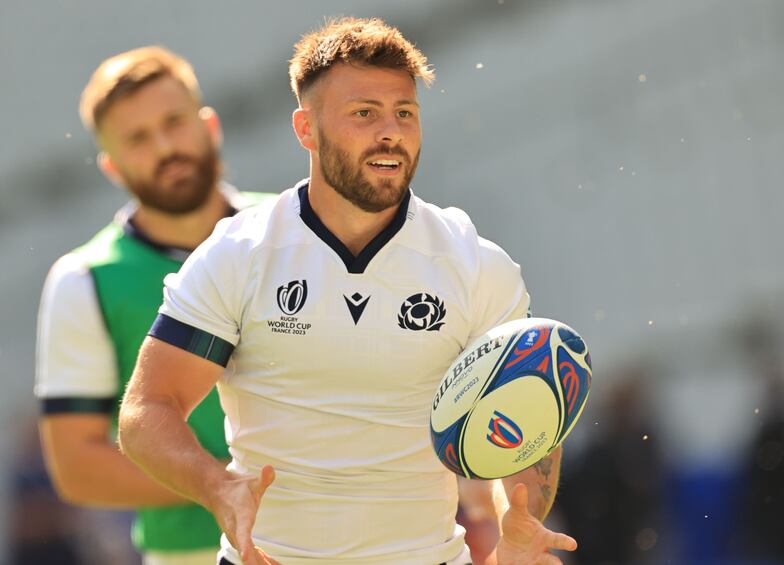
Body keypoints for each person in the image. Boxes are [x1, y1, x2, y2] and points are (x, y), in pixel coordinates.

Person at [118, 18, 577, 565]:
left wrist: (518, 518)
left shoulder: (473, 262)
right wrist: (217, 488)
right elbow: (147, 410)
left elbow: (524, 417)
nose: (391, 132)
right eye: (365, 113)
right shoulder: (239, 254)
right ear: (305, 129)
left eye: (404, 113)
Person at [35, 46, 277, 565]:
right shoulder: (85, 280)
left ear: (208, 125)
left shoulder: (293, 226)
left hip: (345, 540)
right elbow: (76, 465)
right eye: (138, 138)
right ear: (111, 166)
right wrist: (220, 484)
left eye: (174, 122)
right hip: (189, 554)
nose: (166, 147)